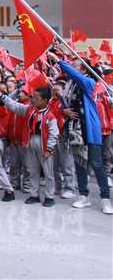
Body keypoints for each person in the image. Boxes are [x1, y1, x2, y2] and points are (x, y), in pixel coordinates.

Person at [55, 51, 112, 215]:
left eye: (75, 66)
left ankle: (105, 198)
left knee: (96, 163)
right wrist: (64, 110)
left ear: (84, 69)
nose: (72, 68)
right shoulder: (70, 84)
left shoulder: (89, 82)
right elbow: (65, 102)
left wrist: (59, 61)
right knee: (79, 163)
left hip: (89, 128)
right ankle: (84, 195)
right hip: (75, 128)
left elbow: (74, 75)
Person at [0, 84, 59, 207]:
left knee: (48, 172)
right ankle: (34, 194)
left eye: (36, 98)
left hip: (43, 143)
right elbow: (15, 106)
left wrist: (49, 149)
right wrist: (3, 97)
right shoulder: (30, 110)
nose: (33, 100)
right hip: (30, 141)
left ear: (45, 101)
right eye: (33, 97)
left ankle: (49, 196)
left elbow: (53, 134)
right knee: (32, 169)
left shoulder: (50, 116)